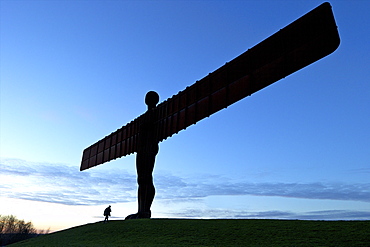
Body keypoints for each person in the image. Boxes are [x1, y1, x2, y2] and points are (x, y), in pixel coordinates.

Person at [125, 91, 159, 220]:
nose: (147, 99)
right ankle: (141, 210)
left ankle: (145, 211)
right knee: (141, 179)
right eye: (147, 97)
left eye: (150, 97)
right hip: (141, 148)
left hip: (149, 146)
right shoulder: (144, 116)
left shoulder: (157, 113)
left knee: (146, 177)